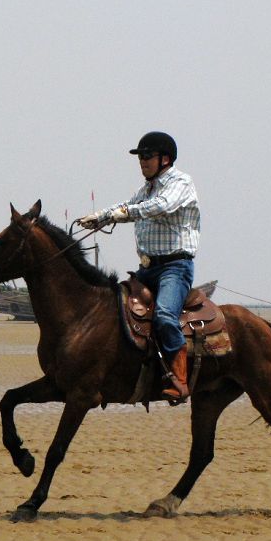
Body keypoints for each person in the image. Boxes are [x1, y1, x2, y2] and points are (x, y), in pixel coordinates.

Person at [79, 131, 201, 403]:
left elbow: (161, 207)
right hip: (146, 269)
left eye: (147, 156)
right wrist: (99, 217)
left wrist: (126, 213)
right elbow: (128, 205)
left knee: (165, 317)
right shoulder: (146, 189)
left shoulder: (181, 183)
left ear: (165, 159)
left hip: (174, 268)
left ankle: (180, 380)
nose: (142, 162)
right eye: (140, 157)